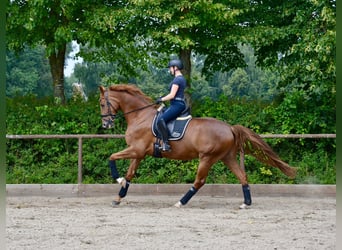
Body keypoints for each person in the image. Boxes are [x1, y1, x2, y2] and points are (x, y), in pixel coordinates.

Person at [155, 59, 187, 152]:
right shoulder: (180, 79)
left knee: (161, 120)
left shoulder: (178, 79)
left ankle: (166, 144)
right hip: (177, 103)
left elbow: (172, 95)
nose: (170, 70)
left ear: (175, 68)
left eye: (170, 68)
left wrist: (161, 99)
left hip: (177, 104)